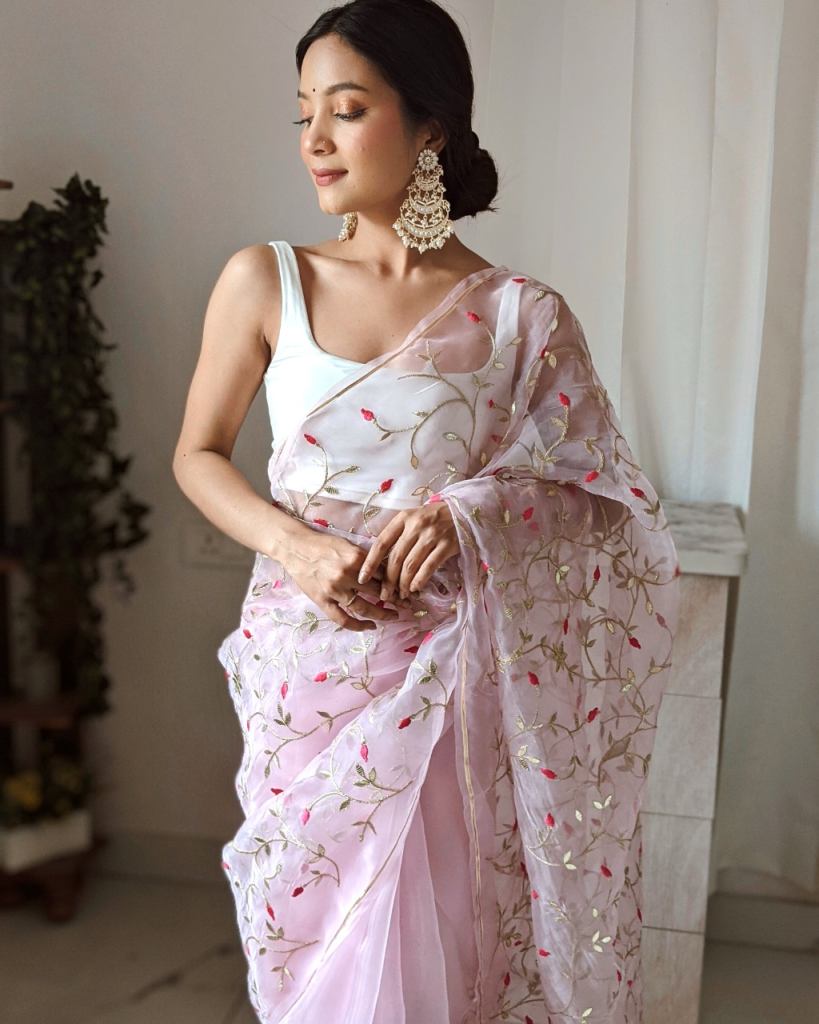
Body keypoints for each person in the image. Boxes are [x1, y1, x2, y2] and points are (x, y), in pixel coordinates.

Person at [172, 2, 680, 1022]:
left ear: (430, 128)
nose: (315, 139)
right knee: (319, 956)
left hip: (451, 682)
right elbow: (197, 455)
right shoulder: (265, 280)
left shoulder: (519, 314)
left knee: (433, 958)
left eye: (347, 108)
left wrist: (468, 513)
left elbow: (605, 497)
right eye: (304, 112)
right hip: (307, 673)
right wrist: (297, 548)